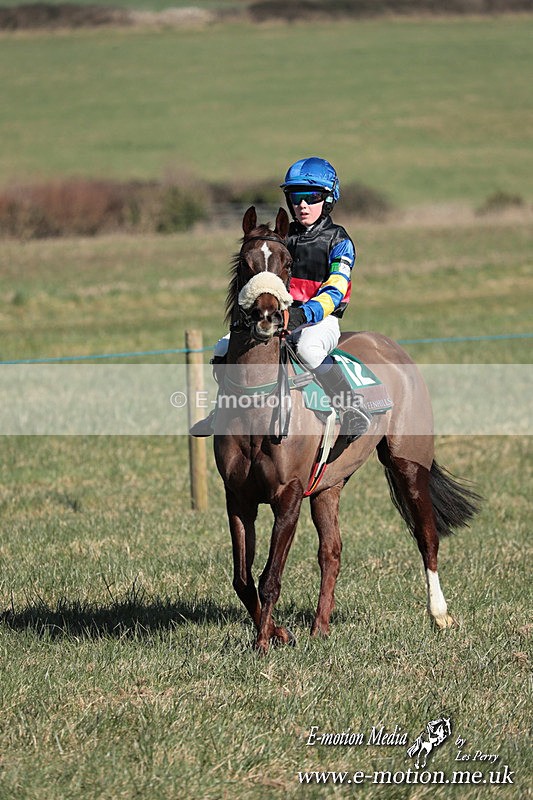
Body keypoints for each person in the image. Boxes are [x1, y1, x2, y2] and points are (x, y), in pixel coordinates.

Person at [190, 156, 371, 439]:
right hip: (279, 317)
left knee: (309, 349)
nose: (302, 205)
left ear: (328, 199)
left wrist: (302, 315)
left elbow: (336, 289)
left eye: (311, 197)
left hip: (319, 321)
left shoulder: (340, 242)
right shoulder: (280, 239)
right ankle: (222, 411)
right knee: (223, 347)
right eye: (295, 197)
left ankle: (352, 408)